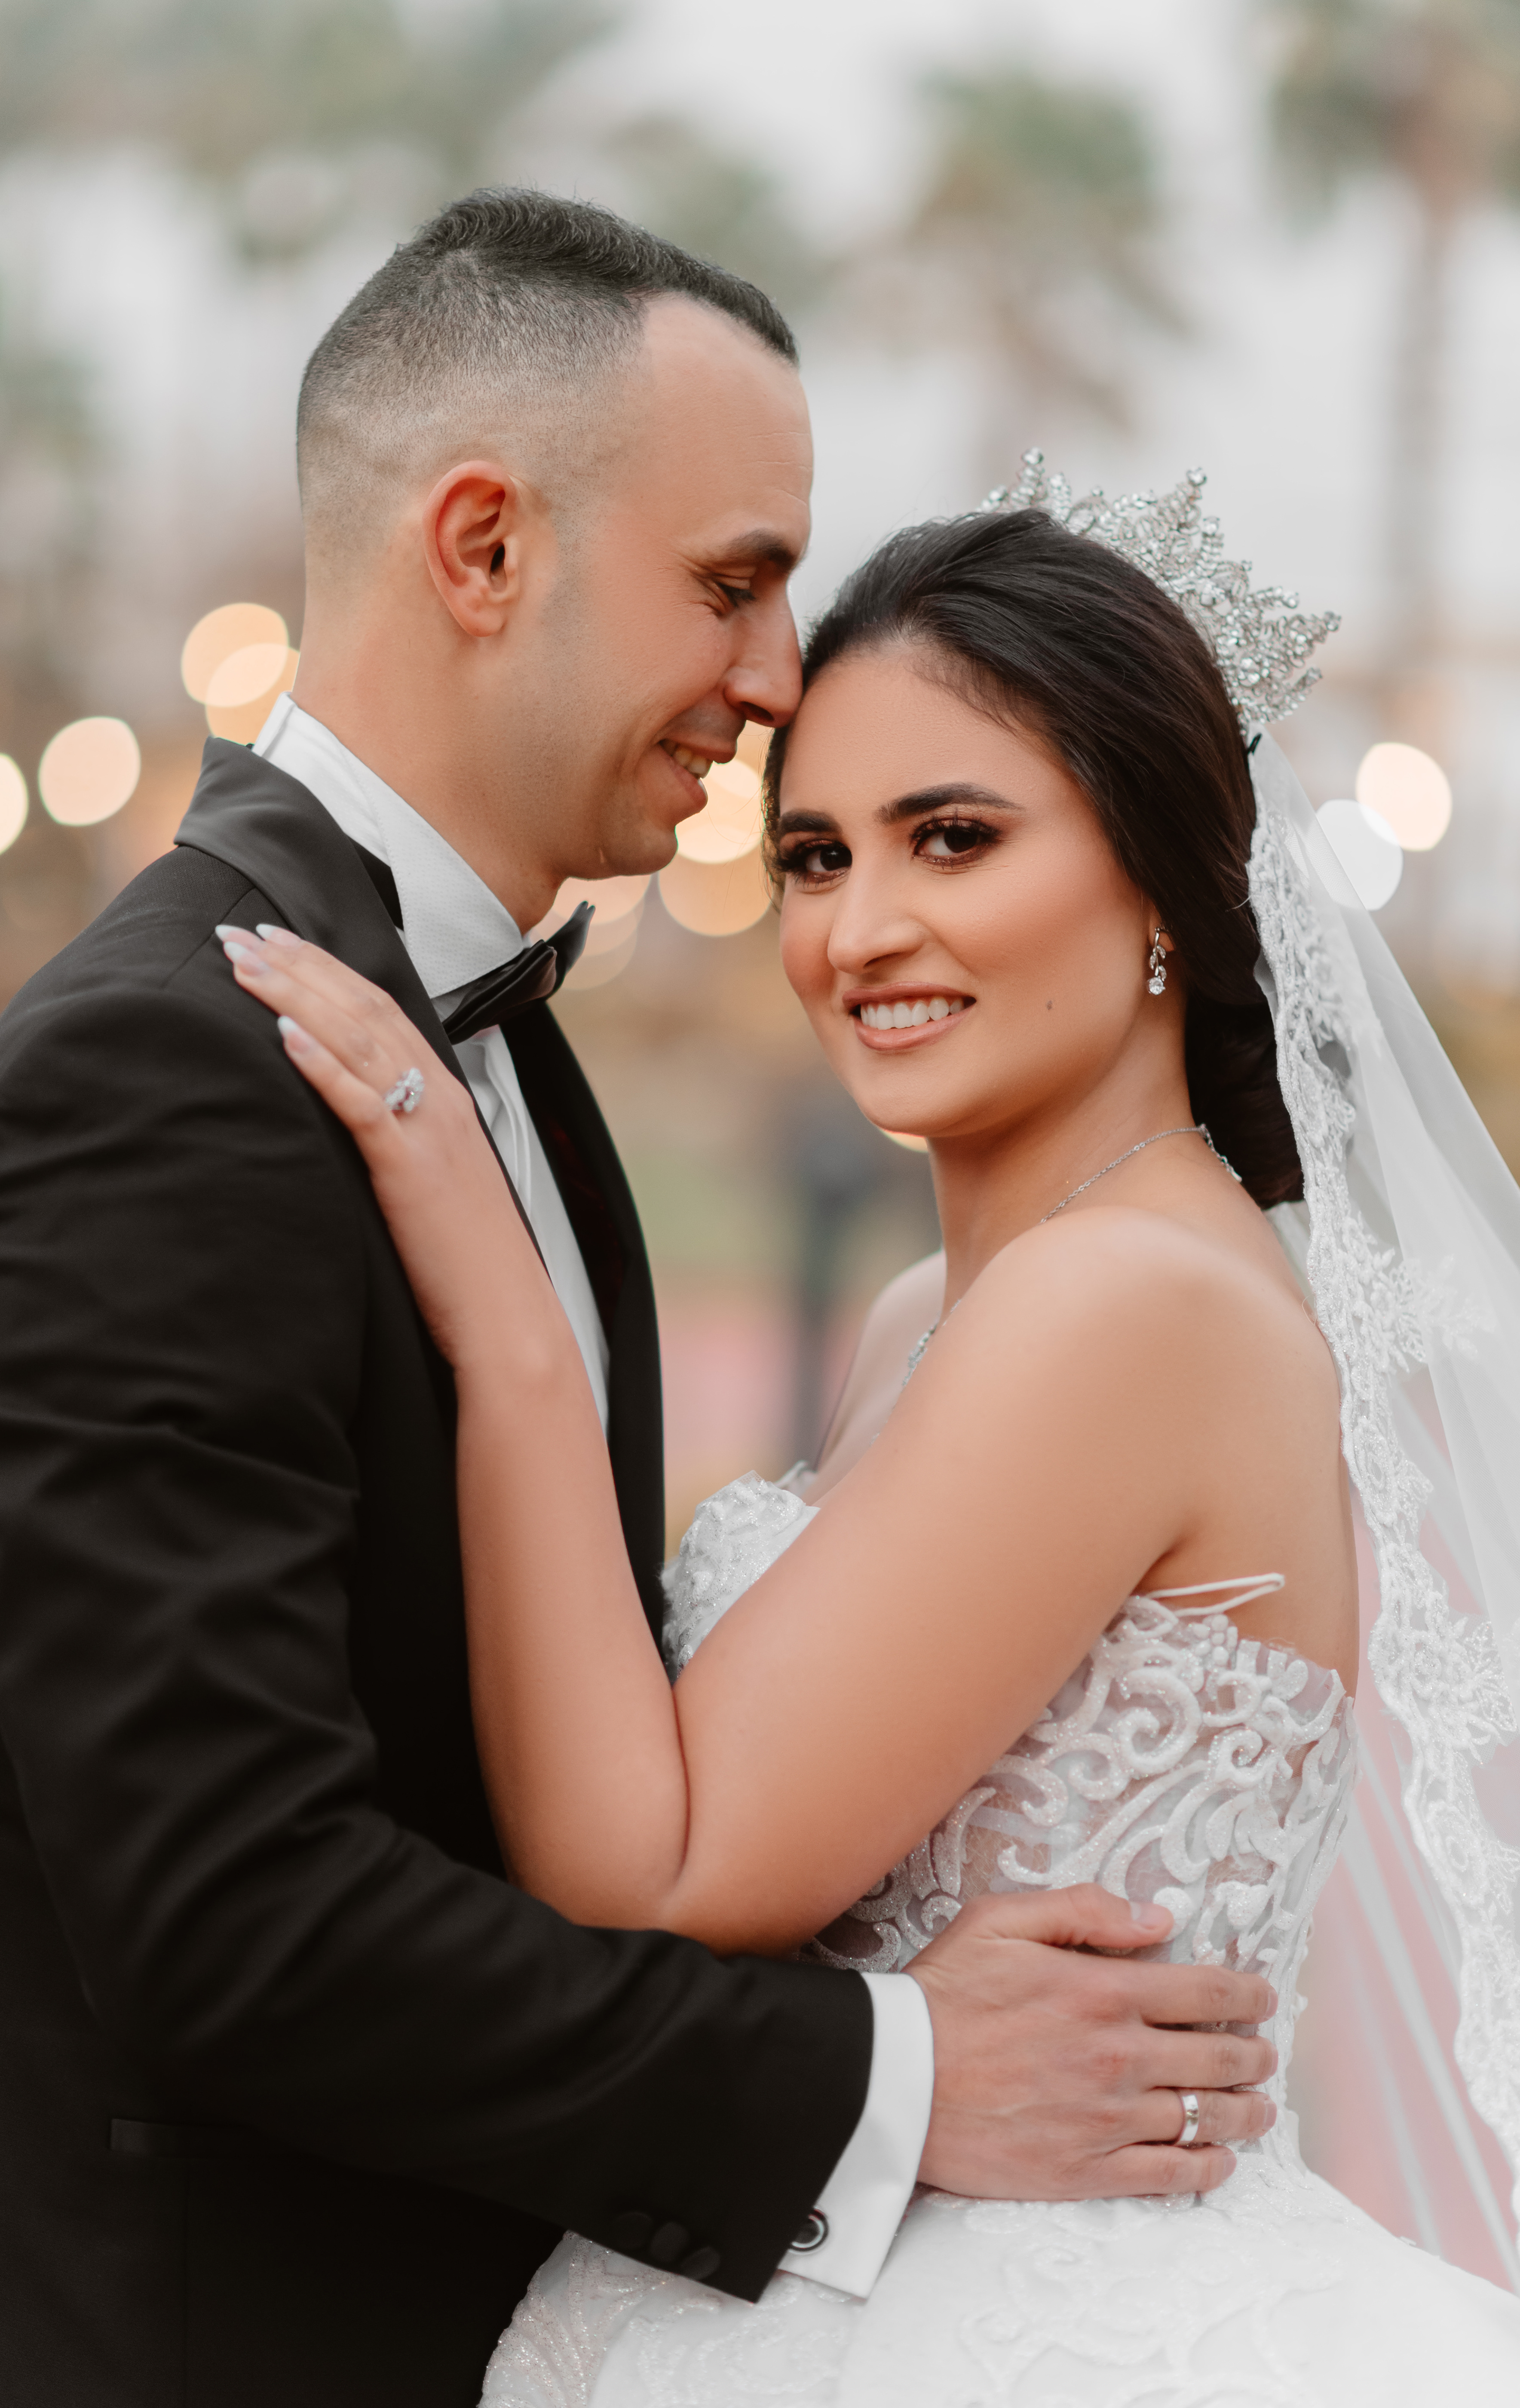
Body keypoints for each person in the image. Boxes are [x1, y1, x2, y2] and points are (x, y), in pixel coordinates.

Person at [0, 200, 1272, 2408]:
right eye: (734, 579)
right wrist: (884, 2076)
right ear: (483, 545)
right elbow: (231, 1922)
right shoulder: (164, 1074)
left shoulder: (497, 1050)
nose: (784, 670)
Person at [220, 466, 1520, 2400]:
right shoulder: (958, 1311)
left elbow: (655, 1873)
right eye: (816, 856)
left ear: (1162, 876)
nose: (862, 931)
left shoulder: (1123, 1304)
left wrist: (503, 1321)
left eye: (955, 837)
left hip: (1039, 2327)